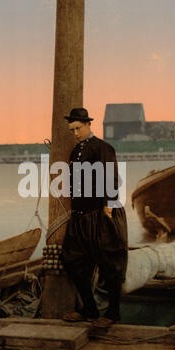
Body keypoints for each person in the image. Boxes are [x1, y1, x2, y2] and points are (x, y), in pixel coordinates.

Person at [62, 107, 128, 328]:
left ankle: (113, 313)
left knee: (111, 264)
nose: (75, 133)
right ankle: (89, 308)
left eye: (78, 128)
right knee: (72, 260)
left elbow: (112, 176)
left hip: (100, 215)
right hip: (80, 217)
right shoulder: (76, 151)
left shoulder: (102, 148)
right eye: (72, 130)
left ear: (89, 125)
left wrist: (109, 204)